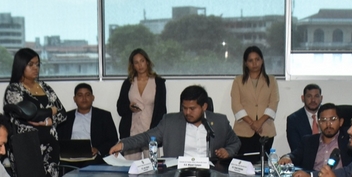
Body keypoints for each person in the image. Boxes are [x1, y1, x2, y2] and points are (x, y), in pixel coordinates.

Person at [110, 85, 241, 161]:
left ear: (204, 107)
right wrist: (123, 144)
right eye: (184, 108)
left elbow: (235, 142)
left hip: (211, 175)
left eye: (192, 109)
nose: (187, 112)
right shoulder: (170, 122)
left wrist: (228, 151)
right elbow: (146, 137)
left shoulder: (220, 121)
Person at [3, 48, 67, 177]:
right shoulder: (14, 89)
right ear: (20, 65)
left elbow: (63, 113)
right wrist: (51, 111)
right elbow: (29, 115)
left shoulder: (44, 87)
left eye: (37, 64)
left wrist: (48, 122)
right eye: (30, 64)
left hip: (50, 147)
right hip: (26, 148)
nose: (35, 68)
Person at [278, 103, 352, 177]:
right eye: (323, 120)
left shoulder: (349, 141)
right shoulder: (309, 141)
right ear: (318, 123)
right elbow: (294, 155)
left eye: (332, 119)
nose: (328, 124)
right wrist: (287, 157)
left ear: (341, 122)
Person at [116, 48, 167, 159]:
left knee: (153, 163)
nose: (140, 65)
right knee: (130, 165)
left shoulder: (158, 82)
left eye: (142, 61)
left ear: (147, 62)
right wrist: (129, 108)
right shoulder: (128, 83)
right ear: (133, 65)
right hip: (132, 129)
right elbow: (120, 108)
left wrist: (157, 130)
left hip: (152, 129)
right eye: (136, 62)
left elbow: (161, 109)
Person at [230, 46, 279, 158]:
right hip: (243, 131)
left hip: (265, 130)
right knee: (245, 164)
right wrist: (252, 123)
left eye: (257, 59)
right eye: (250, 60)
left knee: (263, 163)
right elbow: (236, 105)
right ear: (245, 63)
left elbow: (273, 103)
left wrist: (259, 122)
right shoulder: (238, 81)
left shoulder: (271, 80)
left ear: (262, 61)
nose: (254, 63)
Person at [57, 83, 119, 163]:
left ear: (93, 97)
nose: (84, 99)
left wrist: (98, 149)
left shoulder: (104, 116)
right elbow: (57, 139)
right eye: (80, 95)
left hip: (94, 159)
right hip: (69, 159)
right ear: (74, 99)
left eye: (87, 95)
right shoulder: (65, 117)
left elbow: (113, 139)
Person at [285, 84, 323, 153]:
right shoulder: (293, 120)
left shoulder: (329, 116)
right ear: (303, 98)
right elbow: (296, 149)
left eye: (316, 96)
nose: (313, 100)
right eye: (309, 96)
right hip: (305, 158)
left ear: (321, 98)